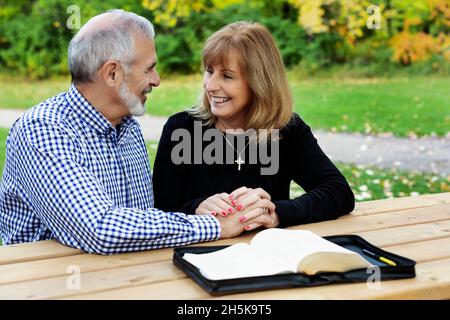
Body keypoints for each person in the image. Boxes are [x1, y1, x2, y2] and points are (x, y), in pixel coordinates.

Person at [0, 10, 260, 254]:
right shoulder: (43, 131)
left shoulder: (127, 127)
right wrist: (215, 226)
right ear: (113, 73)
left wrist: (205, 208)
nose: (157, 80)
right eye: (149, 68)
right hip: (50, 283)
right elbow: (98, 229)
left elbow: (145, 220)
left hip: (127, 275)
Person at [153, 21, 355, 231]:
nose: (210, 86)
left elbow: (338, 192)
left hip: (264, 254)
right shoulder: (181, 129)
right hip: (197, 254)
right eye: (209, 71)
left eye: (227, 76)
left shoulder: (287, 130)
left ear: (259, 83)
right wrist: (195, 208)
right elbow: (159, 211)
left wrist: (275, 213)